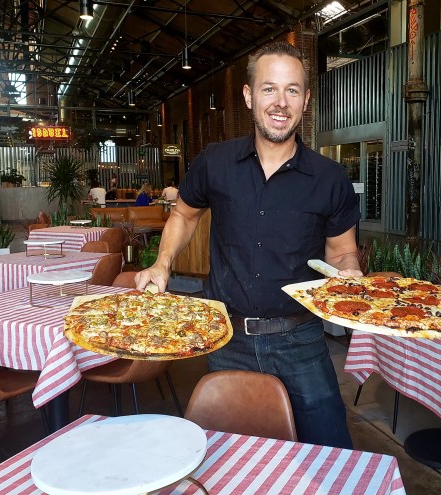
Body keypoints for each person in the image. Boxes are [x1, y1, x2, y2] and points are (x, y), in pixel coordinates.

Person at [136, 41, 361, 449]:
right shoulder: (214, 161)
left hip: (301, 342)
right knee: (230, 456)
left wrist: (350, 274)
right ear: (248, 95)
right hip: (228, 338)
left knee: (328, 453)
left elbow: (342, 252)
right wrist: (162, 263)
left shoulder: (331, 178)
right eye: (269, 88)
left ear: (306, 100)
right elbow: (185, 214)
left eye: (292, 90)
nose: (280, 102)